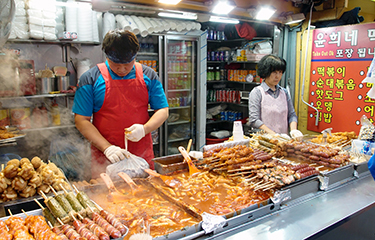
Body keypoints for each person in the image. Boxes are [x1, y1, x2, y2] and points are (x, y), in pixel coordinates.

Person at [72, 29, 169, 178]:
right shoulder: (90, 78)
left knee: (147, 198)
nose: (122, 69)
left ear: (135, 56)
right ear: (107, 56)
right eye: (116, 64)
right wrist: (107, 148)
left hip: (141, 156)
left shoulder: (149, 75)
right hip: (107, 158)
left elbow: (163, 110)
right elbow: (81, 120)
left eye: (128, 64)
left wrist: (144, 129)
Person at [248, 54, 303, 139]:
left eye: (280, 72)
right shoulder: (257, 92)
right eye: (274, 72)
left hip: (284, 140)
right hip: (264, 141)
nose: (278, 76)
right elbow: (254, 120)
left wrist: (293, 130)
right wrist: (274, 135)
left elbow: (292, 115)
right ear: (266, 72)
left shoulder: (284, 92)